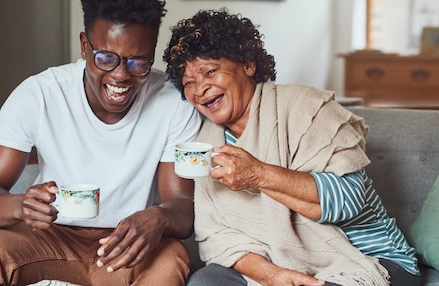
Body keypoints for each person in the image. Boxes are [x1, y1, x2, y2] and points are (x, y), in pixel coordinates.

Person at [0, 0, 202, 285]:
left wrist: (158, 217)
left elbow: (182, 206)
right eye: (106, 58)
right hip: (49, 238)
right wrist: (20, 206)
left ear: (152, 53)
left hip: (127, 247)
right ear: (85, 46)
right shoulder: (40, 95)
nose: (121, 75)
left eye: (138, 62)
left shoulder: (173, 103)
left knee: (171, 257)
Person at [164, 8, 420, 286]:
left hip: (366, 259)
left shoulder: (307, 107)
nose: (200, 88)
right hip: (274, 262)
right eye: (189, 83)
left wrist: (258, 174)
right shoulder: (207, 142)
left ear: (248, 65)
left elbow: (348, 200)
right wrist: (272, 275)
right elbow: (214, 235)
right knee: (206, 281)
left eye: (210, 72)